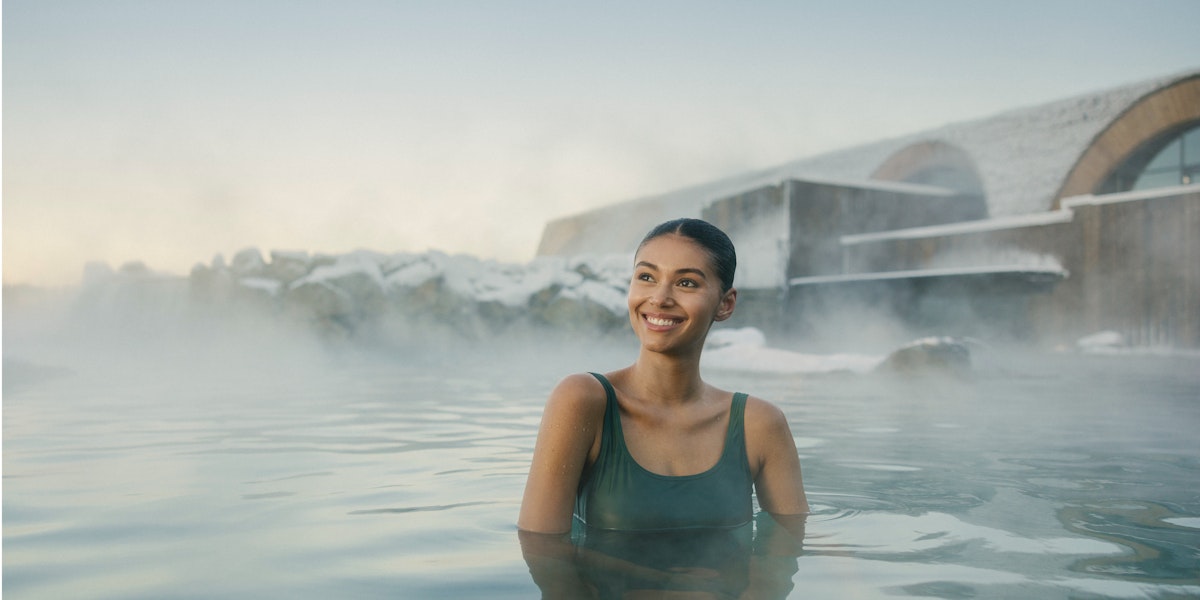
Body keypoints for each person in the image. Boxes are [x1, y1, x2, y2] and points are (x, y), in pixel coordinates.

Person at [517, 218, 810, 596]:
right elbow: (542, 550)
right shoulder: (583, 401)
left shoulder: (760, 424)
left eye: (687, 282)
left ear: (725, 304)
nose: (659, 298)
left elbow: (787, 547)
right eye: (647, 277)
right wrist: (666, 584)